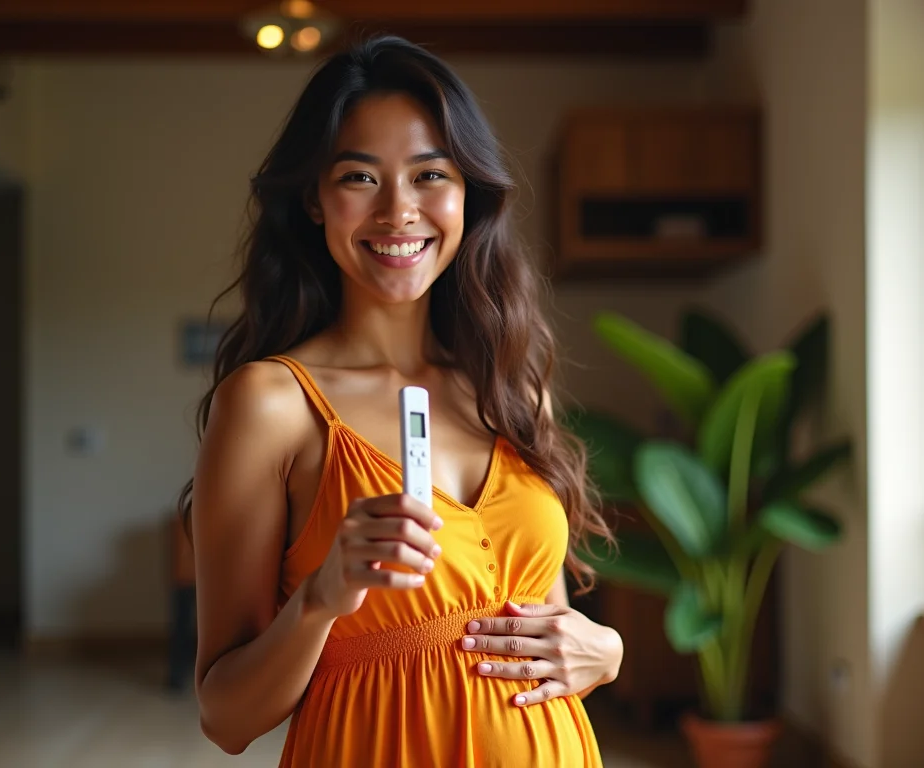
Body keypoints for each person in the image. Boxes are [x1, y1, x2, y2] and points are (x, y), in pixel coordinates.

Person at [181, 35, 624, 767]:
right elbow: (225, 717)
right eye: (360, 176)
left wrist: (602, 650)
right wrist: (321, 598)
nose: (398, 210)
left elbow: (546, 623)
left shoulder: (512, 387)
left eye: (430, 175)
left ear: (466, 194)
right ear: (315, 200)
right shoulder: (270, 405)